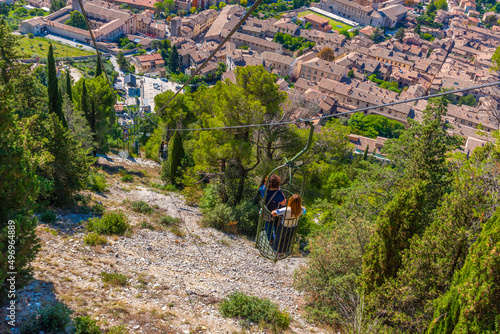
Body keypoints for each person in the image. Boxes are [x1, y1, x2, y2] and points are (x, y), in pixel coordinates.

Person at [259, 174, 286, 242]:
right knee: (277, 226)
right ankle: (277, 240)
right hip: (275, 212)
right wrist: (282, 194)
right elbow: (283, 203)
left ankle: (270, 239)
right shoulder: (278, 193)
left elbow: (260, 190)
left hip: (266, 210)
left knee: (268, 225)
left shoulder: (263, 189)